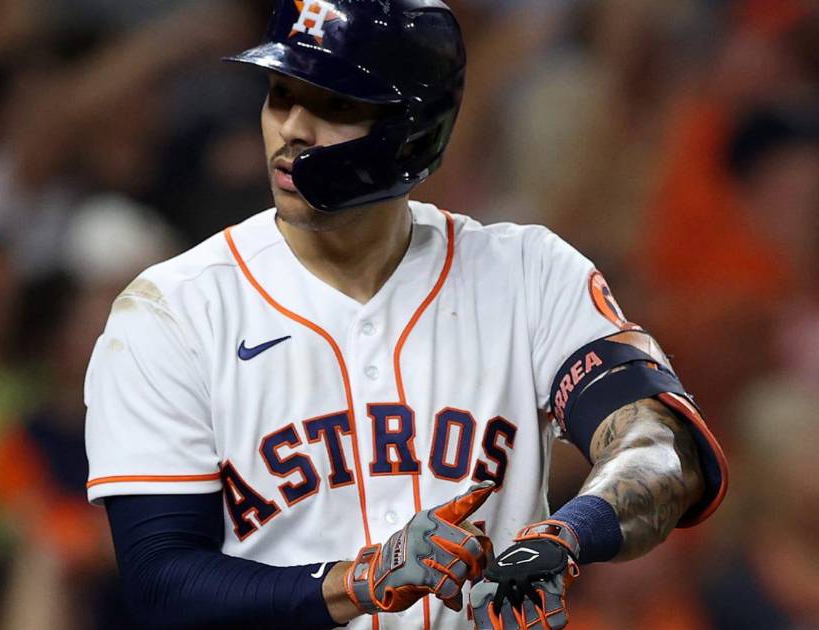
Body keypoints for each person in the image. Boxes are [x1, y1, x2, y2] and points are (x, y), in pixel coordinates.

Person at [84, 1, 728, 629]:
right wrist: (358, 581)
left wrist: (568, 535)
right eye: (281, 95)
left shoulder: (529, 273)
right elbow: (162, 583)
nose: (292, 129)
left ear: (414, 130)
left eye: (335, 105)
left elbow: (662, 449)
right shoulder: (173, 311)